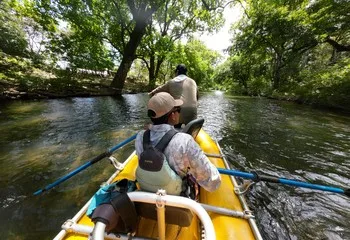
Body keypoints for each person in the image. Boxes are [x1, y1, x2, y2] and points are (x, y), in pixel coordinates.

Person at [135, 92, 221, 197]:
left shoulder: (140, 137)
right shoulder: (184, 141)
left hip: (147, 195)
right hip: (176, 199)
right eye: (178, 110)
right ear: (172, 115)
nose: (179, 113)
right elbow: (212, 183)